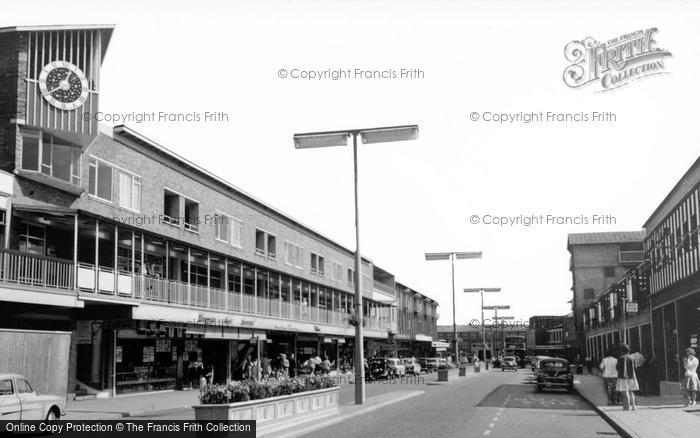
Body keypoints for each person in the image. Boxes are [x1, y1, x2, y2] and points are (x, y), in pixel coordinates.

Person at [616, 344, 639, 411]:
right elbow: (635, 367)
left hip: (623, 378)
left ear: (622, 351)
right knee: (631, 391)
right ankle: (634, 406)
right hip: (632, 377)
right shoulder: (633, 358)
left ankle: (626, 407)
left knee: (625, 392)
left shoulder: (621, 358)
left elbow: (617, 367)